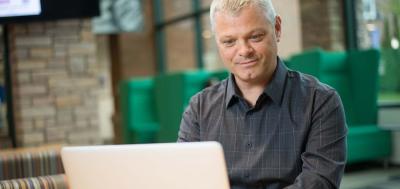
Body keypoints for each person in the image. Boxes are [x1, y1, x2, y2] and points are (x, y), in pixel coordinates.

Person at [178, 0, 347, 188]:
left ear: (277, 29)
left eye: (255, 37)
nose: (244, 51)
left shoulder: (320, 102)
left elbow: (319, 183)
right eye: (229, 41)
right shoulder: (199, 109)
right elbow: (186, 178)